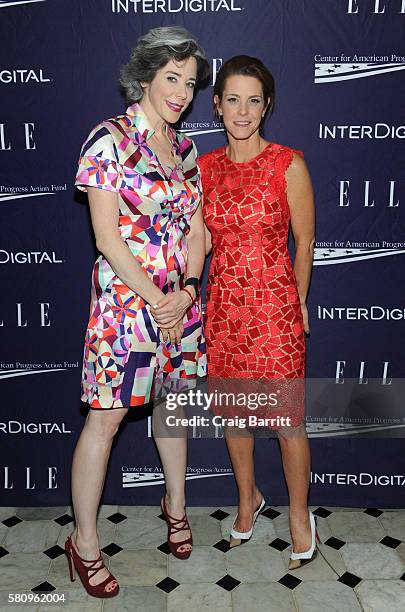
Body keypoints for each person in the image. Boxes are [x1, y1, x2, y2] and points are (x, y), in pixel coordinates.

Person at [65, 26, 209, 598]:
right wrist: (161, 300)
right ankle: (84, 542)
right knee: (103, 423)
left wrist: (189, 289)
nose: (181, 92)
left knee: (173, 411)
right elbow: (106, 237)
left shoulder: (187, 149)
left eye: (191, 83)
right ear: (146, 76)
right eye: (171, 78)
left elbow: (197, 228)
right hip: (128, 312)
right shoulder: (108, 140)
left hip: (181, 305)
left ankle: (175, 506)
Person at [199, 55, 317, 569]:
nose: (242, 110)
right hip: (224, 307)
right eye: (232, 99)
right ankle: (248, 499)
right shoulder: (202, 168)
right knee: (234, 416)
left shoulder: (288, 163)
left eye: (253, 99)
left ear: (266, 106)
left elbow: (305, 241)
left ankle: (298, 513)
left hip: (275, 310)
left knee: (287, 422)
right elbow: (198, 242)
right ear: (217, 105)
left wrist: (301, 300)